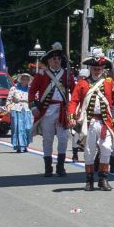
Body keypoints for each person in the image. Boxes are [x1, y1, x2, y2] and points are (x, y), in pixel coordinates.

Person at [70, 53, 114, 192]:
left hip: (106, 122)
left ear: (103, 68)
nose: (97, 70)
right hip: (89, 123)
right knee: (89, 152)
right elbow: (73, 101)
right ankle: (89, 180)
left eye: (100, 68)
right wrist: (72, 116)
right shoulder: (83, 83)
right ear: (90, 68)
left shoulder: (109, 83)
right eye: (94, 68)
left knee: (107, 148)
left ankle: (103, 180)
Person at [30, 45, 75, 176]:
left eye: (59, 59)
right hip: (47, 110)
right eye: (54, 59)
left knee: (63, 138)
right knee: (48, 139)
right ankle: (48, 167)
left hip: (62, 110)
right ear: (49, 61)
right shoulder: (41, 74)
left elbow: (74, 90)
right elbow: (32, 91)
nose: (57, 61)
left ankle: (60, 166)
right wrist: (33, 106)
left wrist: (73, 108)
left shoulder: (67, 74)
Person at [5, 72, 33, 152]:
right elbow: (8, 100)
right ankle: (19, 146)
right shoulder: (14, 88)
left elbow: (35, 99)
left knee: (28, 128)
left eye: (26, 79)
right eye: (23, 78)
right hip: (16, 109)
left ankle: (25, 144)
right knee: (18, 128)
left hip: (27, 109)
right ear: (20, 80)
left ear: (28, 80)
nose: (25, 80)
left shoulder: (30, 89)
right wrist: (8, 107)